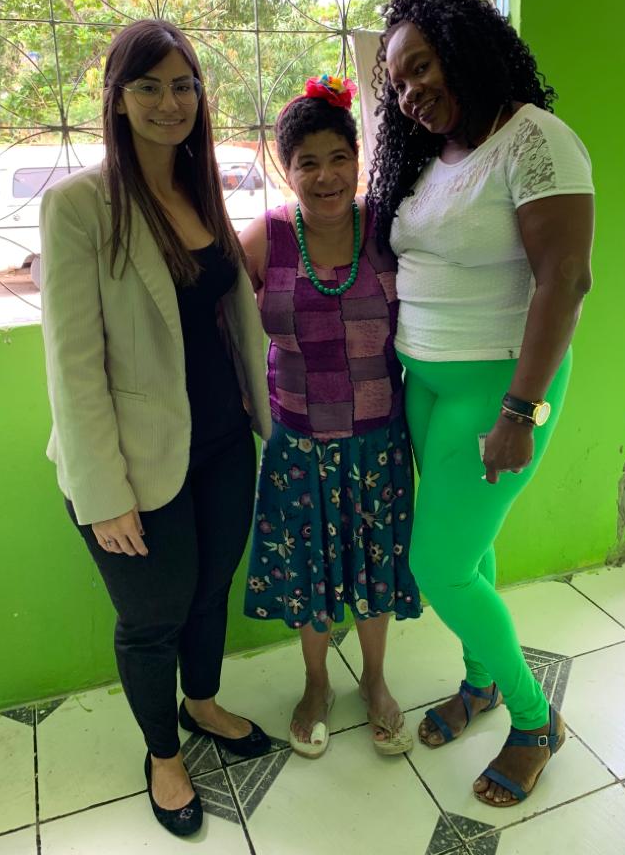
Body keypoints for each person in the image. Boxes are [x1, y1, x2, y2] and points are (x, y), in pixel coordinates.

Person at [40, 19, 272, 837]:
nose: (169, 102)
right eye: (149, 86)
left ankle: (201, 701)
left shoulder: (201, 188)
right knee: (152, 617)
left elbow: (226, 316)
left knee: (211, 590)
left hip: (223, 442)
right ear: (117, 98)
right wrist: (102, 494)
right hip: (133, 463)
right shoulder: (79, 206)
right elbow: (73, 367)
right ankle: (163, 754)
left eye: (184, 85)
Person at [368, 0, 594, 807]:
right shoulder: (432, 155)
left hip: (498, 387)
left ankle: (535, 722)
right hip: (425, 382)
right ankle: (480, 681)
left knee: (437, 565)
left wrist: (519, 413)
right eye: (397, 82)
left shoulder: (536, 140)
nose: (409, 92)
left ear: (464, 49)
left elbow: (565, 280)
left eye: (421, 67)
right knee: (469, 554)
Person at [240, 74, 421, 759]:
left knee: (375, 567)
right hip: (298, 444)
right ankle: (316, 685)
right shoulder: (267, 237)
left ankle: (374, 680)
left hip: (379, 441)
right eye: (307, 162)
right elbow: (218, 319)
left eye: (339, 158)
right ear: (285, 170)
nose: (325, 176)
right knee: (309, 571)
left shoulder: (387, 229)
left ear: (357, 159)